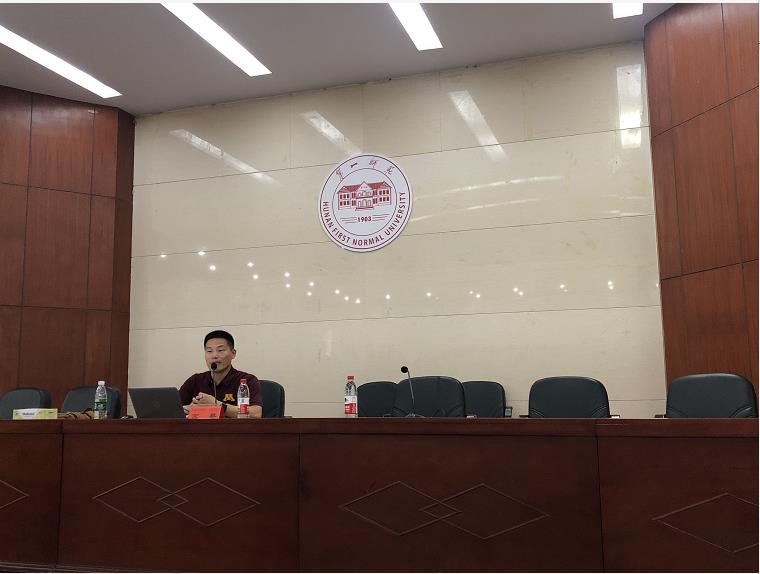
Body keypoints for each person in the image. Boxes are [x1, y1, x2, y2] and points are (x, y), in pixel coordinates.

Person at [179, 330, 262, 418]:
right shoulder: (195, 380)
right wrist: (192, 409)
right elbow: (173, 409)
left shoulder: (246, 381)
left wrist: (217, 405)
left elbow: (256, 413)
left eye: (220, 350)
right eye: (209, 351)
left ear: (233, 353)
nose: (214, 355)